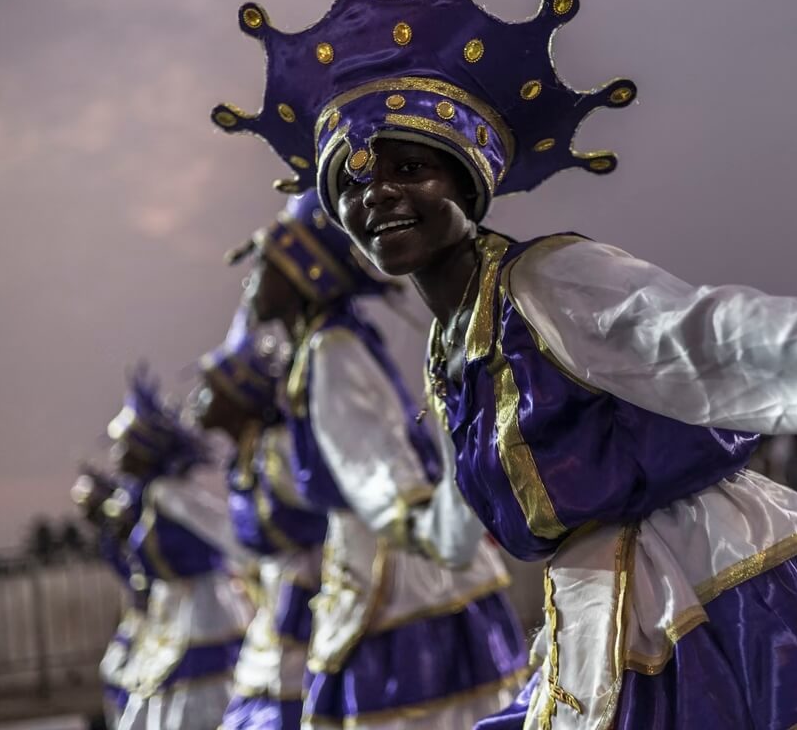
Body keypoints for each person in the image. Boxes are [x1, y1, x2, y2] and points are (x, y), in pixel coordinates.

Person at [213, 0, 797, 727]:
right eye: (354, 187)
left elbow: (715, 341)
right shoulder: (453, 343)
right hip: (599, 603)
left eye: (410, 167)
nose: (380, 196)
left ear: (467, 178)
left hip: (708, 586)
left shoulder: (544, 279)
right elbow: (456, 503)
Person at [229, 188, 527, 728]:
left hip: (396, 566)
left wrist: (416, 522)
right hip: (380, 552)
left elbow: (373, 461)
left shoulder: (330, 350)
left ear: (303, 271)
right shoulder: (323, 348)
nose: (251, 281)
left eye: (265, 265)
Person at [191, 310, 328, 729]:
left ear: (236, 396)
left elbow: (332, 514)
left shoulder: (278, 450)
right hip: (274, 605)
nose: (198, 400)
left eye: (209, 390)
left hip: (311, 603)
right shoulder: (245, 460)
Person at [107, 367, 253, 730]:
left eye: (124, 445)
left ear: (143, 450)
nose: (116, 455)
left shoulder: (167, 492)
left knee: (194, 706)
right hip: (172, 612)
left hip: (202, 613)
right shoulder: (146, 498)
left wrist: (267, 561)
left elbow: (224, 529)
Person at [71, 467, 148, 730]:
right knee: (114, 672)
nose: (87, 515)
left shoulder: (136, 525)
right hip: (140, 616)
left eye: (91, 506)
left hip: (161, 615)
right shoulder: (109, 538)